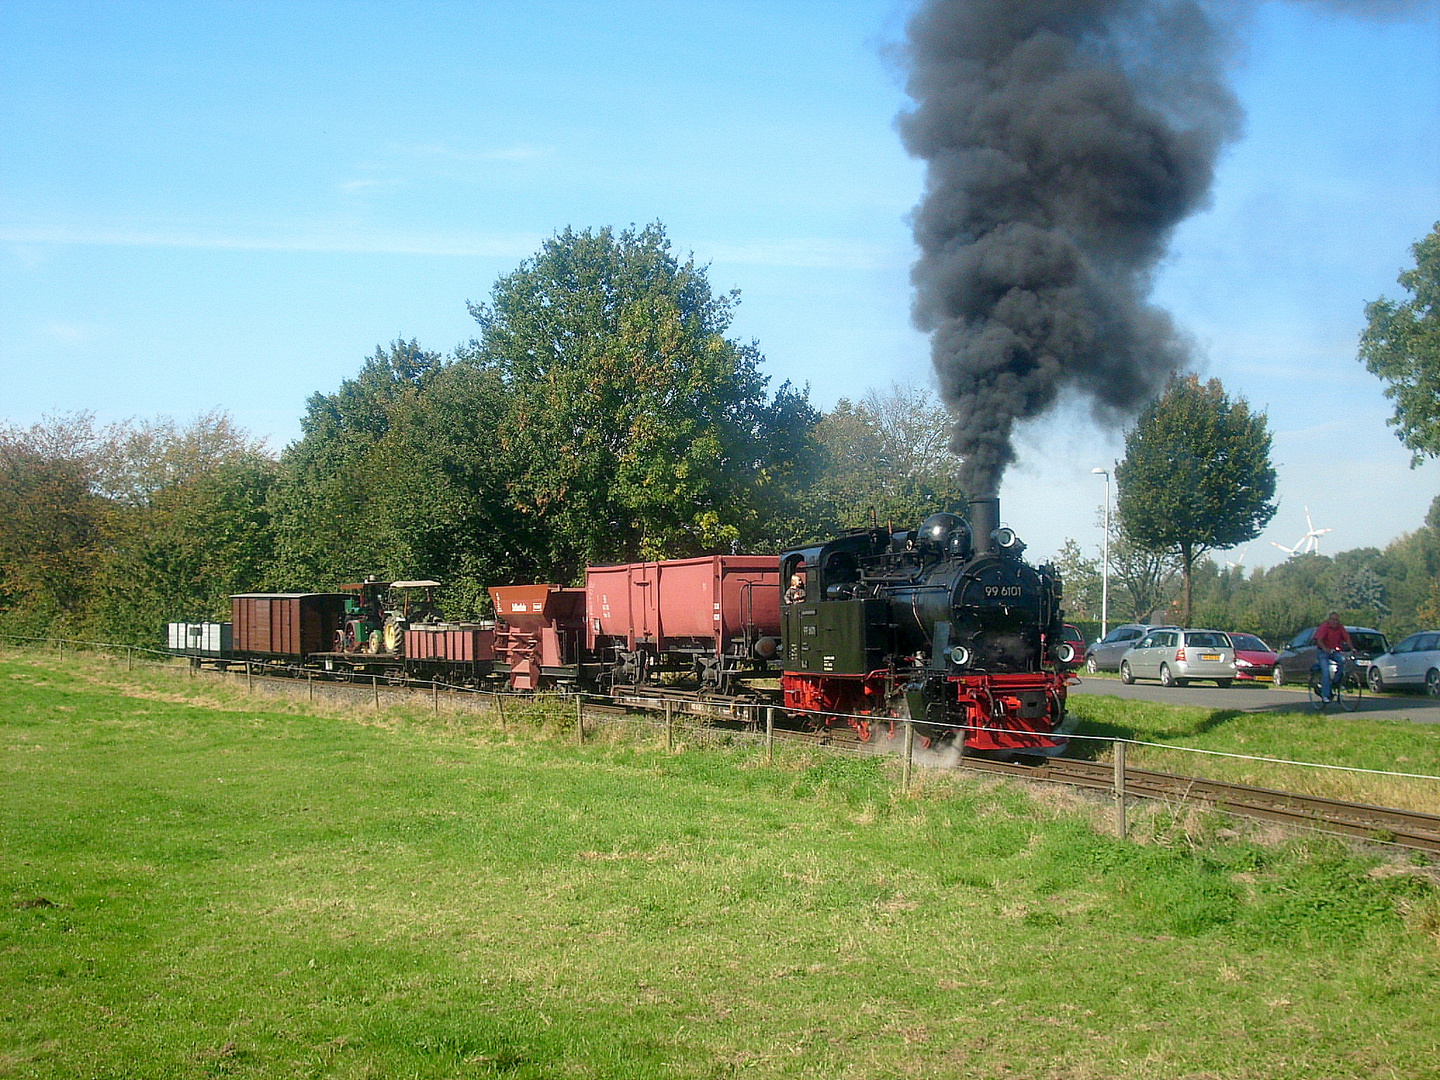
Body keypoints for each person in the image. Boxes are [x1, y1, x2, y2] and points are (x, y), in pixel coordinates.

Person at [1313, 612, 1354, 703]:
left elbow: (1347, 638)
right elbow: (1319, 640)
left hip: (1335, 651)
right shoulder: (1324, 627)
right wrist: (1325, 648)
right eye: (1333, 620)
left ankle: (1337, 681)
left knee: (1343, 661)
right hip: (1323, 652)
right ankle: (1325, 695)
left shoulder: (1340, 627)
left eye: (1337, 620)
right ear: (1329, 620)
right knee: (1326, 671)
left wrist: (1352, 648)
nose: (1335, 622)